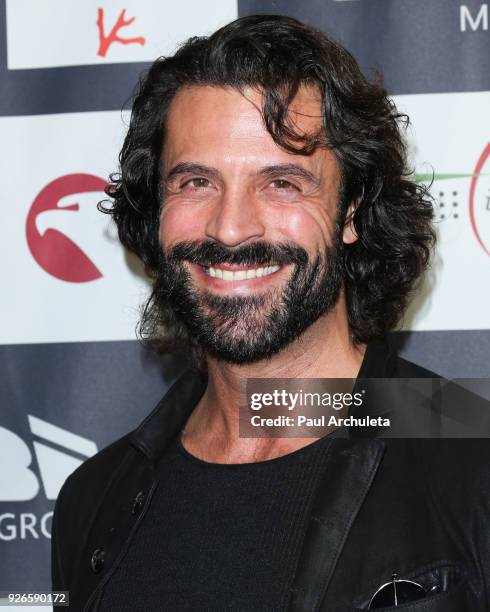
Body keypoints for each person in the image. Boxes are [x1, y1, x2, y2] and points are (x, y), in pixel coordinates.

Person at [51, 14, 489, 611]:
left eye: (282, 182)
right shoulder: (94, 500)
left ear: (353, 209)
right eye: (196, 182)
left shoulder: (472, 451)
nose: (231, 228)